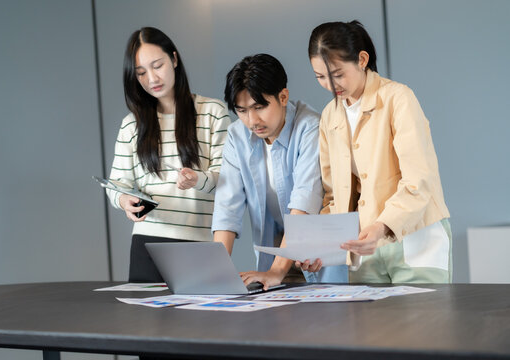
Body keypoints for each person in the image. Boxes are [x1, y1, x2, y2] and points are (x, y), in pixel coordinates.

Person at [301, 20, 452, 283]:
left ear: (361, 59)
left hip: (415, 238)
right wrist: (322, 246)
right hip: (364, 249)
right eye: (320, 77)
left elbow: (419, 181)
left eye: (337, 74)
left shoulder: (398, 98)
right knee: (371, 325)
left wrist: (380, 228)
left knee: (425, 323)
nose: (330, 85)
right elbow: (334, 195)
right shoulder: (329, 115)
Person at [212, 54, 348, 290]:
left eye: (259, 107)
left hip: (317, 254)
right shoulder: (236, 136)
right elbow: (227, 207)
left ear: (283, 97)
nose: (252, 120)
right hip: (275, 257)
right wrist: (213, 273)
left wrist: (276, 271)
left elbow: (304, 204)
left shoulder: (310, 128)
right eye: (242, 110)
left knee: (330, 321)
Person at [107, 27, 231, 282]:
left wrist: (197, 180)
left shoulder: (213, 112)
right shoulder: (132, 125)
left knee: (201, 321)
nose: (152, 78)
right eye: (141, 72)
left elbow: (228, 180)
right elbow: (117, 184)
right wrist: (124, 201)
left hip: (199, 243)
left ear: (174, 60)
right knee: (146, 322)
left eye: (158, 65)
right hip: (147, 244)